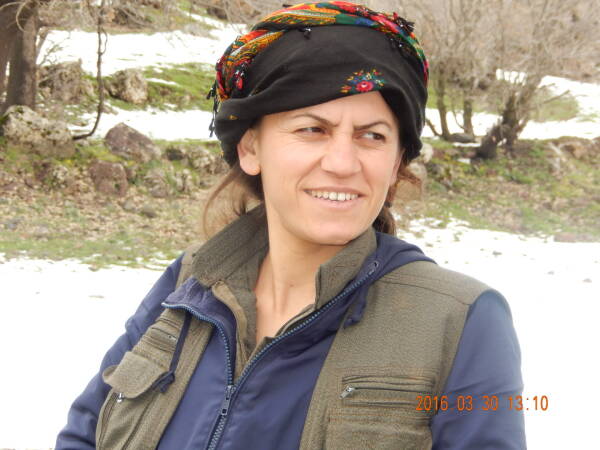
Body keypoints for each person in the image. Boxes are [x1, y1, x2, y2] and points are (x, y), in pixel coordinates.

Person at [56, 2, 526, 449]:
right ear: (251, 148)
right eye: (312, 129)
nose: (342, 163)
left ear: (397, 161)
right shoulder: (189, 285)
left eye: (372, 136)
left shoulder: (462, 321)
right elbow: (85, 434)